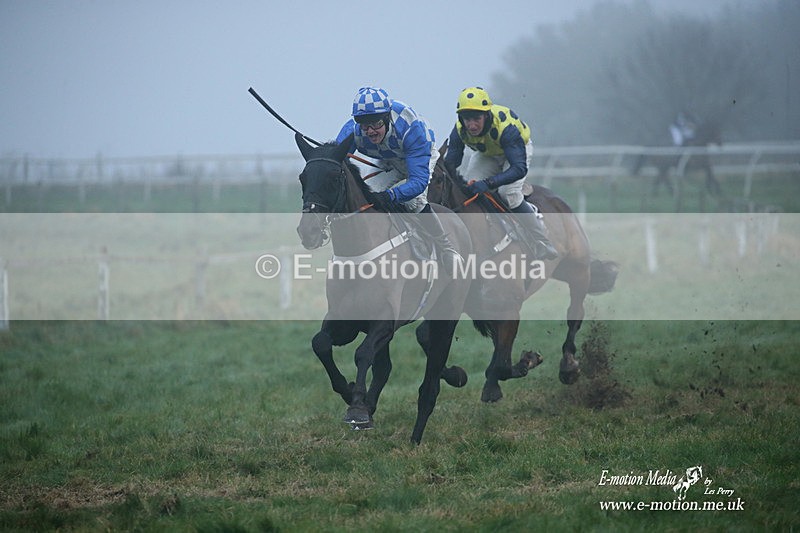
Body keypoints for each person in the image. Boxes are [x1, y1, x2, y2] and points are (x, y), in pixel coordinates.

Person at [335, 86, 462, 271]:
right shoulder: (352, 131)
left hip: (419, 156)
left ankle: (446, 248)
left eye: (376, 123)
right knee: (366, 197)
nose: (370, 131)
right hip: (387, 160)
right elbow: (337, 160)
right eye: (364, 124)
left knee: (414, 202)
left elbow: (417, 182)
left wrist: (390, 196)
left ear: (387, 118)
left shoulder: (411, 129)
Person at [443, 86, 558, 260]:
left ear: (486, 115)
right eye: (467, 119)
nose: (471, 125)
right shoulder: (459, 130)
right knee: (468, 190)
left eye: (476, 118)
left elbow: (518, 168)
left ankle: (540, 239)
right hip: (487, 154)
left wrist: (489, 183)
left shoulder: (506, 128)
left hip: (516, 153)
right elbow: (450, 165)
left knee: (508, 193)